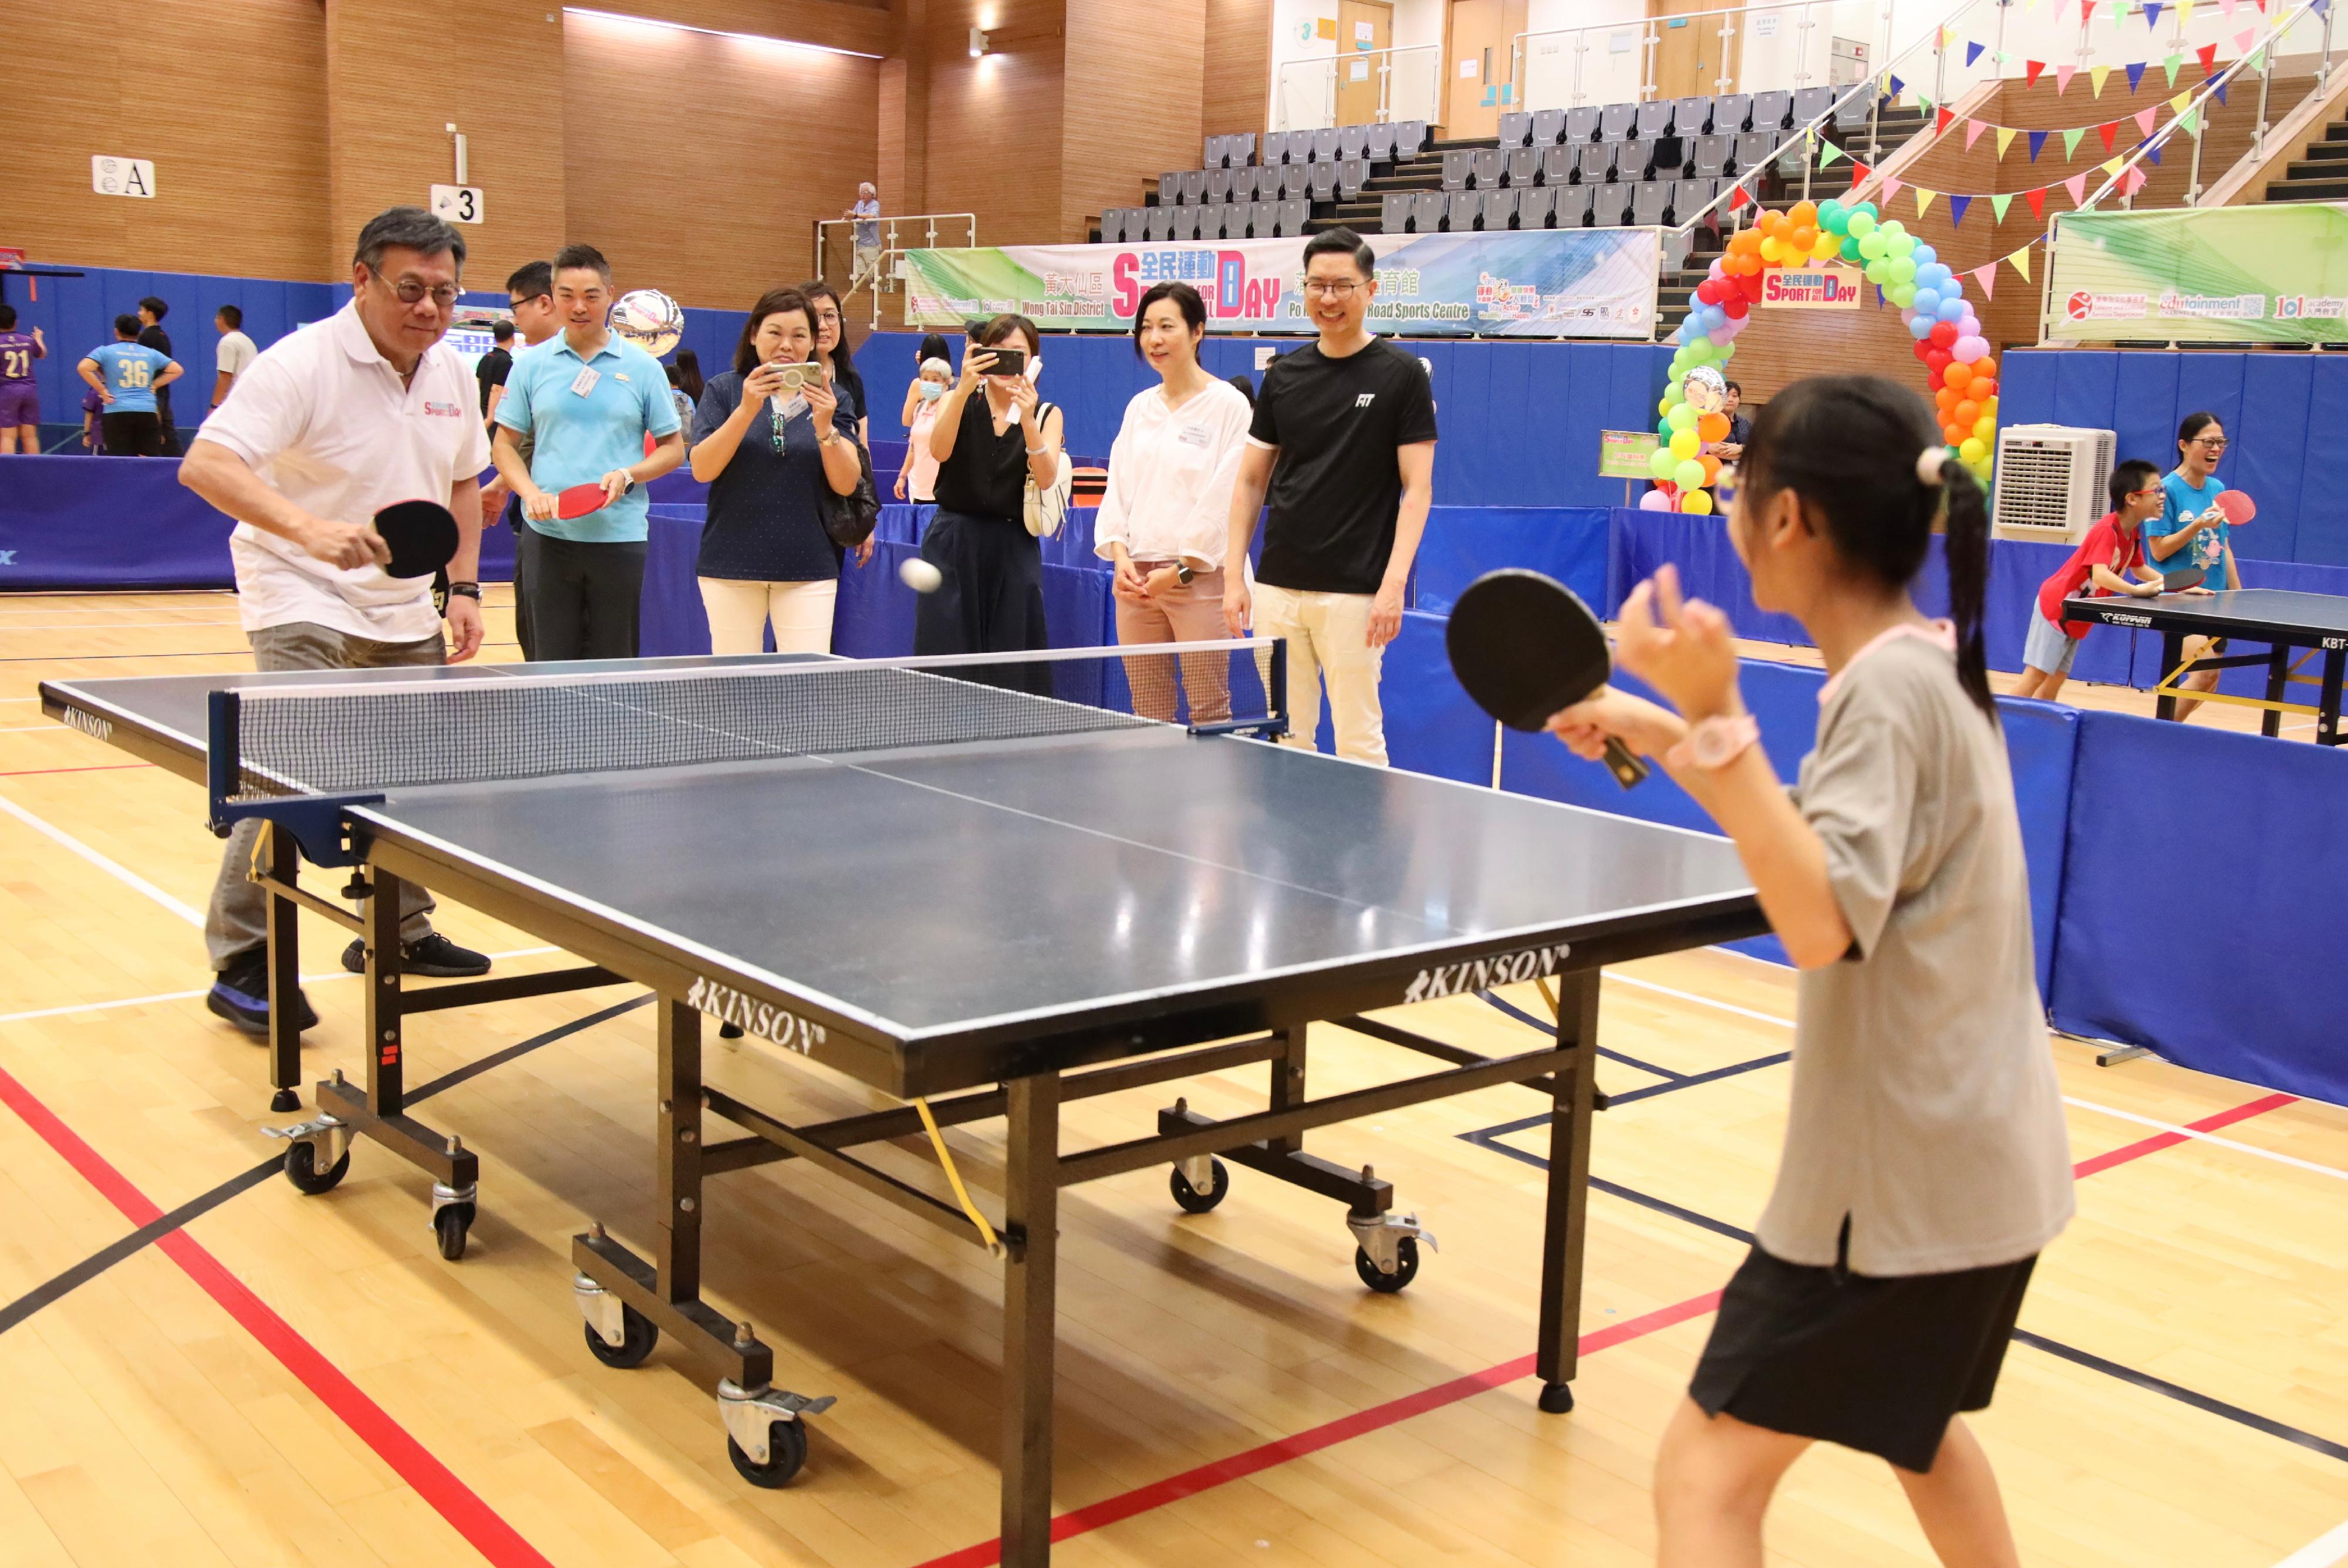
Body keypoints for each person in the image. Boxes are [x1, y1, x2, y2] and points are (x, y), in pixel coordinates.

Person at [1548, 375, 2072, 1568]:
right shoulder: (1925, 667)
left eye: (1740, 493)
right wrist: (1659, 727)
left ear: (1786, 520)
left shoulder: (1885, 694)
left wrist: (1719, 712)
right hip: (1983, 1169)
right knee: (1915, 1427)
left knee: (1703, 1476)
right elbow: (1824, 851)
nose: (1732, 519)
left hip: (1894, 1193)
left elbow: (1819, 918)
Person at [178, 205, 500, 1033]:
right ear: (362, 280)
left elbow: (464, 482)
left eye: (444, 292)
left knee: (416, 769)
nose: (428, 308)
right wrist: (311, 530)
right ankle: (243, 954)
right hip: (298, 587)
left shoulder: (449, 372)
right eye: (410, 288)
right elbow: (205, 464)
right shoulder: (301, 364)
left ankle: (398, 926)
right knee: (288, 767)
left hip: (404, 598)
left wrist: (461, 588)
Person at [1222, 228, 1436, 766]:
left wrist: (1392, 587)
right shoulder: (1284, 375)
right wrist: (1234, 577)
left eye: (1343, 285)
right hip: (1276, 587)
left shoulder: (1403, 376)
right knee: (1286, 737)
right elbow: (1251, 481)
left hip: (1355, 595)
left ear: (1371, 289)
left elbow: (1417, 489)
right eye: (1317, 285)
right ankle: (1296, 849)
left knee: (1359, 741)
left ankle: (1362, 852)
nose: (1329, 298)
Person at [491, 243, 686, 660]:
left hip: (619, 538)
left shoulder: (644, 368)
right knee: (549, 664)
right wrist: (528, 493)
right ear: (553, 297)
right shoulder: (530, 365)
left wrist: (630, 474)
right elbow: (504, 445)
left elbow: (673, 449)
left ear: (611, 295)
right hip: (548, 538)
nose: (579, 306)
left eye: (591, 295)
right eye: (567, 295)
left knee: (614, 667)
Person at [1097, 281, 1252, 725]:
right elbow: (1120, 488)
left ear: (1197, 331)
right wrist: (1120, 557)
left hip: (1197, 581)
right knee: (1148, 711)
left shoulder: (1229, 406)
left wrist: (1180, 571)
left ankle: (1210, 797)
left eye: (1167, 326)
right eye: (1146, 328)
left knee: (1209, 708)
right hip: (1136, 584)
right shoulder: (1139, 407)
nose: (1154, 339)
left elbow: (1228, 500)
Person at [686, 288, 868, 655]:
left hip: (809, 564)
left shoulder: (835, 398)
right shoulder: (723, 390)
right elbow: (702, 469)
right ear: (754, 335)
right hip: (731, 563)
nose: (787, 344)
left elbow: (848, 483)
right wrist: (746, 410)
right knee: (733, 685)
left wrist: (825, 426)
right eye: (775, 332)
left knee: (804, 685)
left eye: (799, 335)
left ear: (813, 342)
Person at [915, 312, 1061, 692]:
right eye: (997, 351)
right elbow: (939, 450)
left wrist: (1027, 420)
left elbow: (1046, 478)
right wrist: (962, 388)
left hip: (1012, 550)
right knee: (946, 663)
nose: (1006, 361)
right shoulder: (955, 398)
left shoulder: (1047, 414)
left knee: (1010, 668)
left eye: (1018, 353)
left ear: (1034, 362)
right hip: (953, 541)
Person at [2013, 459, 2173, 704]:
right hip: (2058, 606)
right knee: (2036, 675)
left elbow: (2139, 569)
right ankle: (1995, 729)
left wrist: (2178, 585)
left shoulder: (2133, 533)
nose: (2163, 496)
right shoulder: (2106, 529)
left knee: (2055, 679)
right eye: (2157, 490)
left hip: (2078, 613)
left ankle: (2039, 733)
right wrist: (2136, 591)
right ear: (2132, 499)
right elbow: (2100, 574)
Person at [480, 260, 561, 659]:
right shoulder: (530, 363)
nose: (516, 319)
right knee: (534, 634)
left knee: (546, 637)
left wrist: (502, 485)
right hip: (534, 516)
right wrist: (500, 485)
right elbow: (524, 442)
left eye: (517, 308)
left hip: (564, 527)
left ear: (544, 303)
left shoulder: (547, 364)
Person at [2147, 410, 2241, 722]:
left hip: (2215, 600)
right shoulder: (2165, 490)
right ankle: (2158, 736)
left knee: (2209, 682)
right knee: (2204, 674)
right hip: (2178, 599)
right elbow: (2158, 551)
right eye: (2209, 442)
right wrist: (2198, 524)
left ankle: (2166, 731)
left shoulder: (2217, 488)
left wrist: (2237, 592)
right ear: (2184, 445)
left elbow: (2223, 544)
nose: (2216, 449)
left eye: (2221, 442)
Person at [78, 316, 182, 457]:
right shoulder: (150, 353)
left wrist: (102, 390)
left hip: (117, 411)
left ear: (116, 332)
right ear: (139, 333)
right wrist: (155, 385)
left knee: (119, 459)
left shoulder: (105, 351)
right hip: (147, 411)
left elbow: (83, 368)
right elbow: (177, 370)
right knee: (147, 458)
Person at [798, 280, 871, 446]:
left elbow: (862, 445)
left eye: (830, 316)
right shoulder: (788, 376)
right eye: (813, 317)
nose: (823, 326)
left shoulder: (851, 378)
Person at [896, 352, 952, 502]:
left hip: (941, 490)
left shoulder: (950, 410)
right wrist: (902, 476)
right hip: (917, 489)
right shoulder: (919, 409)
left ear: (947, 383)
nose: (929, 384)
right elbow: (913, 447)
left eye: (935, 380)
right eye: (925, 379)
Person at [136, 295, 182, 454]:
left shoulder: (147, 337)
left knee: (151, 438)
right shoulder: (163, 336)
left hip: (152, 395)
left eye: (142, 310)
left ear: (151, 313)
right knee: (169, 437)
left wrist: (153, 385)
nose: (139, 313)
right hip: (163, 393)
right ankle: (179, 469)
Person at [0, 305, 45, 453]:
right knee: (30, 436)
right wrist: (38, 339)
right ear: (16, 322)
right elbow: (42, 354)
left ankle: (6, 473)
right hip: (29, 390)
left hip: (7, 392)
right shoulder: (27, 340)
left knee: (8, 437)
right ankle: (35, 471)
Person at [211, 305, 258, 415]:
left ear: (221, 319)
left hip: (235, 402)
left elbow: (225, 376)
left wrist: (214, 405)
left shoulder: (228, 342)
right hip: (250, 399)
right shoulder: (248, 341)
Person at [845, 183, 883, 295]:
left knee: (872, 273)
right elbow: (853, 214)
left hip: (871, 244)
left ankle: (879, 291)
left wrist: (855, 215)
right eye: (861, 192)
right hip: (859, 244)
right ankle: (876, 289)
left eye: (865, 192)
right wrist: (846, 217)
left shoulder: (875, 204)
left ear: (872, 194)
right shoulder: (859, 204)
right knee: (860, 272)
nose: (862, 195)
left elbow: (872, 216)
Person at [474, 319, 514, 423]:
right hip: (492, 416)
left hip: (480, 412)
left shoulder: (486, 357)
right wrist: (490, 418)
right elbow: (496, 390)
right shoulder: (506, 361)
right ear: (513, 338)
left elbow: (476, 384)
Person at [1710, 379, 1752, 463]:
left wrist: (1740, 448)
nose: (1730, 400)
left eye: (1735, 396)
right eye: (1726, 395)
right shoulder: (1711, 421)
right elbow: (1713, 449)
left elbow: (1758, 448)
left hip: (1742, 473)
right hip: (1717, 471)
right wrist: (1745, 454)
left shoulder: (1746, 424)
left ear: (1739, 400)